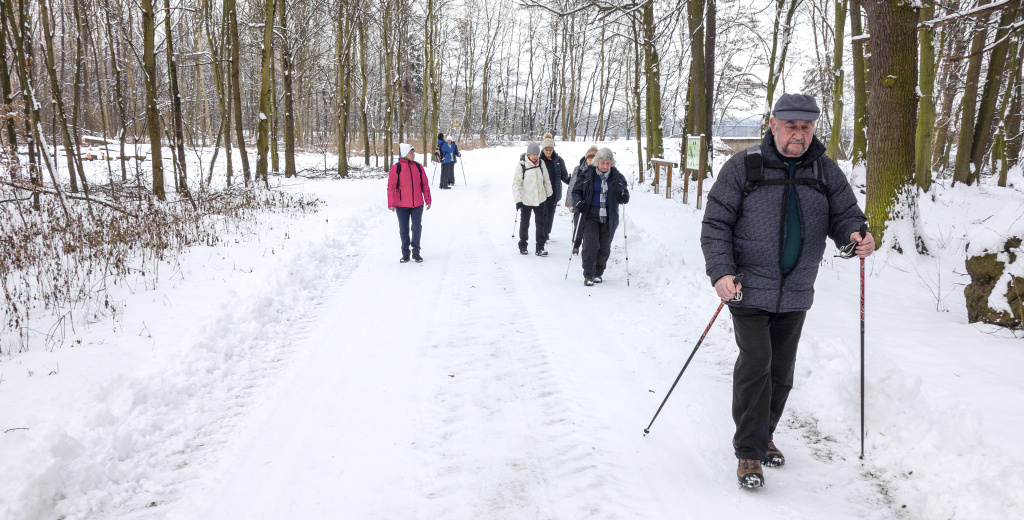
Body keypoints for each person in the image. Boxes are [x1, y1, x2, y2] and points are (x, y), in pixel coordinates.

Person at [700, 93, 875, 489]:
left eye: (806, 127)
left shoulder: (825, 171)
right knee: (757, 361)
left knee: (781, 371)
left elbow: (847, 214)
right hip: (746, 287)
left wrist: (857, 236)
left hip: (796, 289)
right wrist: (721, 272)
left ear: (814, 128)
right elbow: (715, 224)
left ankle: (765, 436)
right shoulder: (744, 167)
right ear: (774, 124)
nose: (798, 134)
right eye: (791, 126)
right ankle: (748, 451)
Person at [570, 147, 629, 285]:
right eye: (602, 163)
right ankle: (588, 275)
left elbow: (623, 195)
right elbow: (576, 191)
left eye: (608, 163)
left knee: (604, 247)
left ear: (611, 163)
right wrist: (579, 202)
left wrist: (624, 196)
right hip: (590, 215)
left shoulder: (617, 177)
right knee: (590, 244)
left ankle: (598, 273)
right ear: (597, 162)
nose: (605, 166)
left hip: (609, 217)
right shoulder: (587, 175)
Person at [388, 142, 432, 263]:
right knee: (404, 229)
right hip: (401, 205)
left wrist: (427, 199)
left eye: (413, 152)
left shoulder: (418, 167)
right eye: (410, 152)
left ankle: (416, 252)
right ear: (404, 154)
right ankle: (405, 253)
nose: (413, 154)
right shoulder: (396, 168)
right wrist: (391, 203)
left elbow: (425, 184)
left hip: (417, 204)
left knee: (417, 228)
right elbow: (391, 186)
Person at [513, 142, 554, 256]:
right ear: (528, 154)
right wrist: (518, 200)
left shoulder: (541, 163)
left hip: (540, 199)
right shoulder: (522, 166)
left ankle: (540, 247)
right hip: (526, 200)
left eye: (537, 154)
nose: (535, 156)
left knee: (541, 224)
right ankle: (523, 245)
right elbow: (516, 184)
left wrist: (549, 194)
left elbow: (546, 179)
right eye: (533, 154)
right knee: (525, 223)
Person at [566, 145, 598, 255]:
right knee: (578, 224)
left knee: (590, 227)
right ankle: (576, 243)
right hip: (579, 202)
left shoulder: (599, 171)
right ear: (586, 159)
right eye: (590, 160)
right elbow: (572, 186)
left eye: (594, 160)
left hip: (593, 204)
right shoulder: (579, 169)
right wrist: (570, 202)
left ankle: (587, 245)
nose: (592, 162)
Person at [538, 133, 569, 238]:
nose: (548, 152)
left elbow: (564, 176)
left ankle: (546, 232)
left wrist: (572, 181)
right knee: (542, 214)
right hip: (542, 192)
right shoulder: (539, 161)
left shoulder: (559, 161)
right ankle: (542, 234)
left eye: (550, 150)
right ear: (543, 150)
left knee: (550, 214)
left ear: (553, 150)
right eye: (546, 150)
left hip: (554, 192)